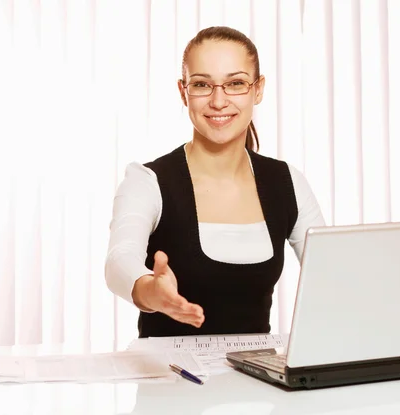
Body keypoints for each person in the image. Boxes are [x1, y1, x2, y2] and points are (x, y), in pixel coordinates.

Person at [105, 26, 325, 338]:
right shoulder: (148, 181)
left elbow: (330, 275)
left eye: (235, 83)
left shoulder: (287, 182)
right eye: (202, 85)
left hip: (256, 381)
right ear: (184, 92)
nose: (218, 101)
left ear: (258, 89)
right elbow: (119, 260)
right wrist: (150, 290)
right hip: (169, 379)